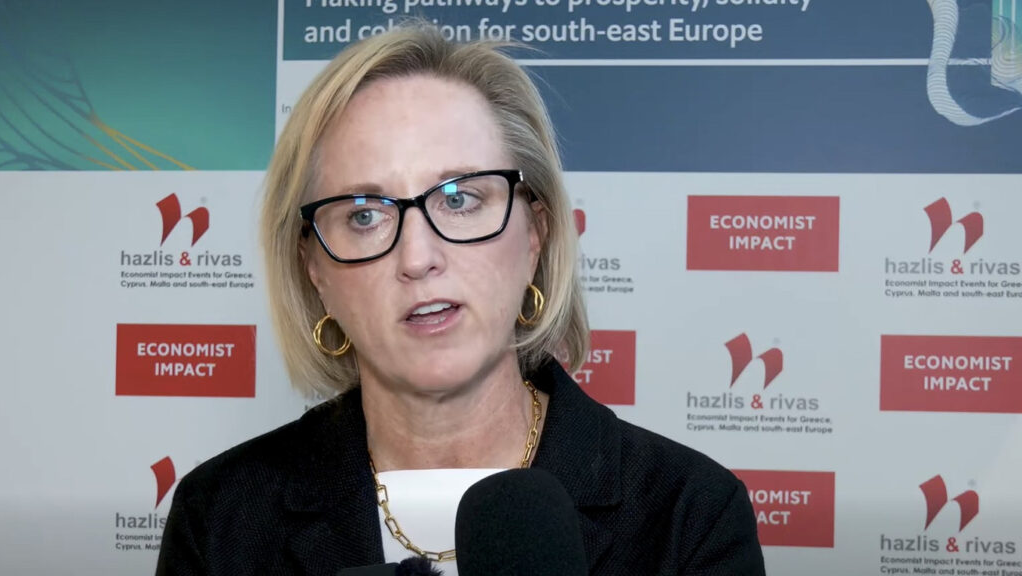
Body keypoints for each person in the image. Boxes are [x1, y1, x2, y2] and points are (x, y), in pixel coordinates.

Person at [156, 23, 765, 575]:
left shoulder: (691, 517)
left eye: (458, 199)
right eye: (365, 214)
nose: (418, 257)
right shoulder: (220, 518)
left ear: (536, 233)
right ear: (315, 268)